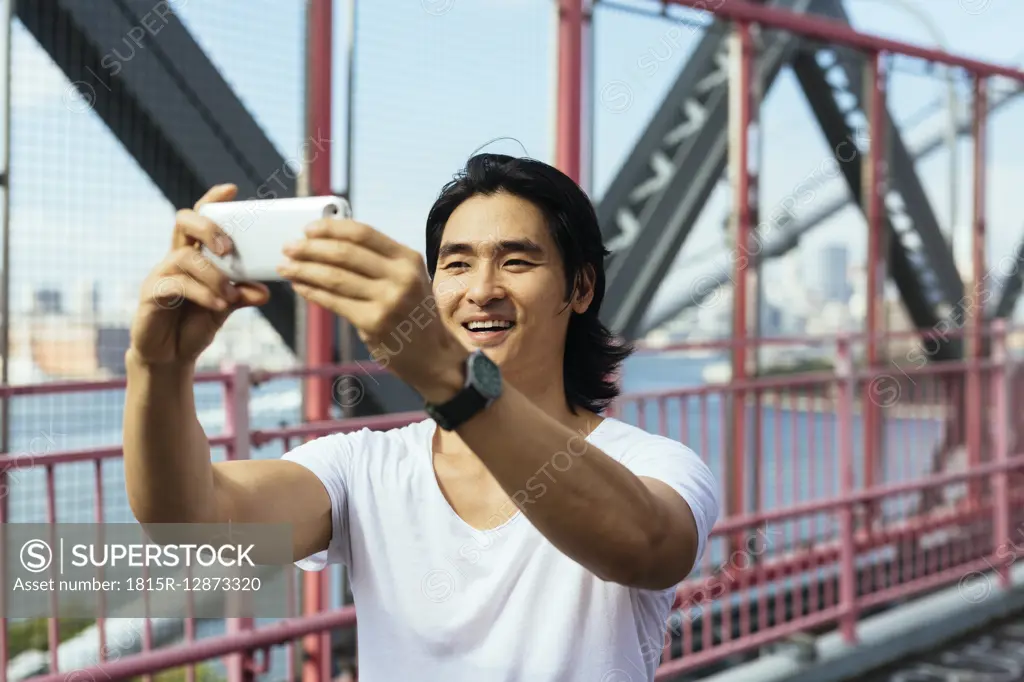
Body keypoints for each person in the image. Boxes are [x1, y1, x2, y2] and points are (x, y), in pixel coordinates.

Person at [123, 153, 720, 682]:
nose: (481, 290)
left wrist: (448, 376)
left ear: (582, 287)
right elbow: (193, 523)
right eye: (456, 265)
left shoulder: (654, 464)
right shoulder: (361, 465)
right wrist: (157, 368)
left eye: (516, 262)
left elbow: (643, 547)